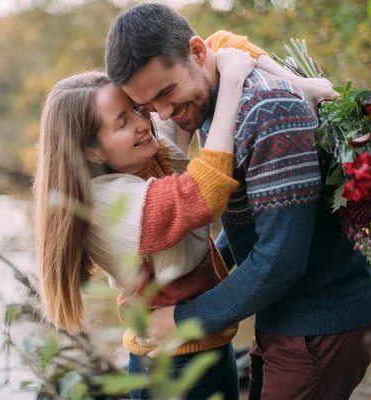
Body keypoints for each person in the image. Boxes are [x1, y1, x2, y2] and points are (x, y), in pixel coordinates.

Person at [105, 4, 371, 399]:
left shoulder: (267, 112)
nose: (165, 113)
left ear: (198, 53)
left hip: (321, 321)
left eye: (166, 93)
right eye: (150, 106)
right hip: (283, 313)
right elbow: (255, 223)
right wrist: (209, 280)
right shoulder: (211, 98)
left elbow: (280, 261)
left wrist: (184, 319)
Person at [34, 46, 260, 399]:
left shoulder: (144, 151)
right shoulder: (109, 204)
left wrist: (301, 86)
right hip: (168, 368)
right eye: (122, 122)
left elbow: (207, 48)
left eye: (135, 109)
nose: (143, 122)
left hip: (209, 344)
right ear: (90, 150)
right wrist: (230, 85)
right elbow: (206, 191)